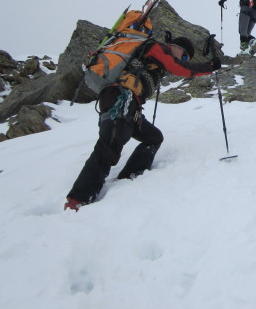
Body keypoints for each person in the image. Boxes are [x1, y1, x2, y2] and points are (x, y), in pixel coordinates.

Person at [64, 36, 221, 211]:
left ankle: (129, 177)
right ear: (175, 47)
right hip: (119, 97)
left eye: (185, 59)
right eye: (184, 56)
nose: (183, 60)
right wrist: (209, 67)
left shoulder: (157, 58)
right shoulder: (156, 48)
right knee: (109, 144)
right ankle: (78, 198)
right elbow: (179, 68)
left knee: (153, 137)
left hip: (130, 104)